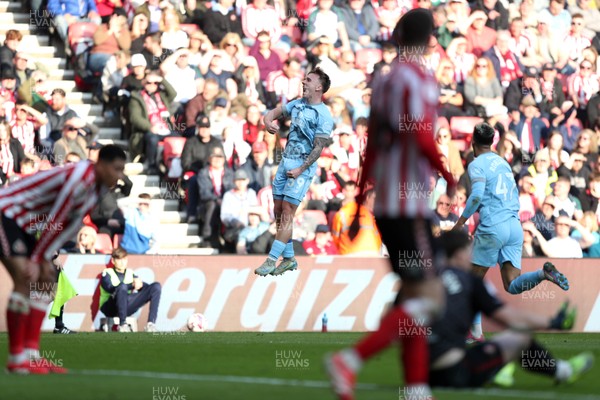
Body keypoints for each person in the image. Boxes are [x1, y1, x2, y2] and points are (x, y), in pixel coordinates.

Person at [325, 10, 456, 400]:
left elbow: (371, 150)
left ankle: (416, 389)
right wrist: (447, 174)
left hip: (385, 202)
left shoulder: (382, 82)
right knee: (432, 297)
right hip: (409, 203)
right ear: (432, 38)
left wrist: (358, 196)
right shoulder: (420, 79)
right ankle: (351, 359)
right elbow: (420, 137)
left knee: (413, 297)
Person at [1, 145, 126, 373]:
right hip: (5, 211)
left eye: (122, 170)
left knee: (47, 284)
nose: (119, 176)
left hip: (23, 224)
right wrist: (39, 257)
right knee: (25, 278)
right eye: (116, 169)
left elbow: (70, 226)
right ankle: (17, 358)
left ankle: (32, 355)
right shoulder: (80, 178)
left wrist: (46, 257)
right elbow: (57, 216)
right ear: (101, 164)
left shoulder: (97, 189)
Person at [428, 230, 592, 389]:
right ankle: (564, 372)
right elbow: (511, 319)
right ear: (458, 254)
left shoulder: (422, 280)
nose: (471, 256)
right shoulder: (471, 281)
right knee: (520, 337)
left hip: (423, 372)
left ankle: (499, 369)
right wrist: (553, 322)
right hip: (453, 372)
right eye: (468, 251)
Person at [452, 123, 569, 343]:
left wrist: (459, 224)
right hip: (514, 226)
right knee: (512, 285)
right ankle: (542, 274)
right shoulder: (504, 163)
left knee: (470, 281)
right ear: (492, 142)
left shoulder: (476, 164)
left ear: (473, 143)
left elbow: (476, 196)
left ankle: (474, 332)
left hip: (493, 226)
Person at [254, 67, 334, 277]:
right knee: (279, 211)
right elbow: (275, 112)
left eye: (308, 80)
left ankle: (272, 259)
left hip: (303, 167)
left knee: (289, 210)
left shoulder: (324, 115)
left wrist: (301, 169)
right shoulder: (297, 104)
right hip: (285, 163)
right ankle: (289, 258)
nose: (303, 82)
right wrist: (267, 121)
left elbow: (318, 149)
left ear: (319, 87)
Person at [99, 247, 162, 332]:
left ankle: (150, 324)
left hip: (125, 306)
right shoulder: (107, 273)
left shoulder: (130, 273)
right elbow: (110, 288)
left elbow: (143, 288)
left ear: (127, 260)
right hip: (109, 307)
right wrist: (131, 285)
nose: (122, 262)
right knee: (122, 287)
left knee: (155, 287)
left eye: (124, 259)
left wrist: (139, 285)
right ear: (113, 261)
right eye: (119, 259)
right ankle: (122, 325)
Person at [330, 189, 381, 255]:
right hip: (371, 253)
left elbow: (335, 239)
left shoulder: (341, 214)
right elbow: (377, 238)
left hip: (349, 254)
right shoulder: (369, 215)